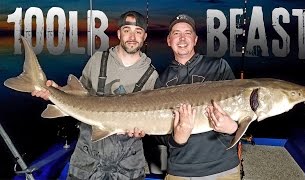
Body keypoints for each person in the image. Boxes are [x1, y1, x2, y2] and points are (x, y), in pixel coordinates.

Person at [32, 11, 158, 179]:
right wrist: (56, 90)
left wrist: (143, 130)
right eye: (127, 30)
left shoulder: (151, 75)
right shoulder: (98, 60)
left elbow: (149, 118)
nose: (132, 36)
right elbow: (77, 93)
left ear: (145, 36)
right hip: (87, 157)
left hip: (128, 162)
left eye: (138, 31)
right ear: (119, 33)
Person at [153, 14, 240, 179]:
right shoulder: (162, 80)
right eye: (176, 33)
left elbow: (240, 109)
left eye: (187, 33)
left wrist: (232, 128)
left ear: (195, 39)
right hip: (180, 171)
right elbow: (159, 135)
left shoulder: (218, 67)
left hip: (223, 168)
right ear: (169, 40)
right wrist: (177, 139)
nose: (182, 38)